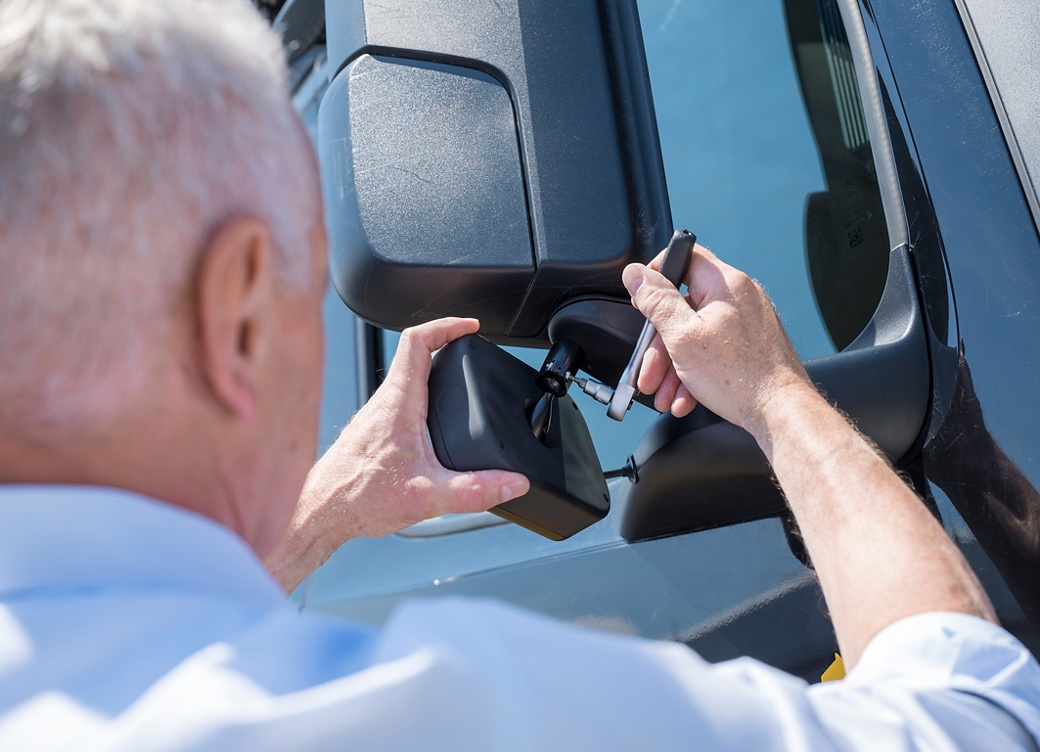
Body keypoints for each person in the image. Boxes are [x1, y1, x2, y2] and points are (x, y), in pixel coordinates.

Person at [0, 0, 1037, 749]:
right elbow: (969, 717)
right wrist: (773, 392)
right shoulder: (426, 713)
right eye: (301, 274)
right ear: (231, 311)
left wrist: (325, 512)